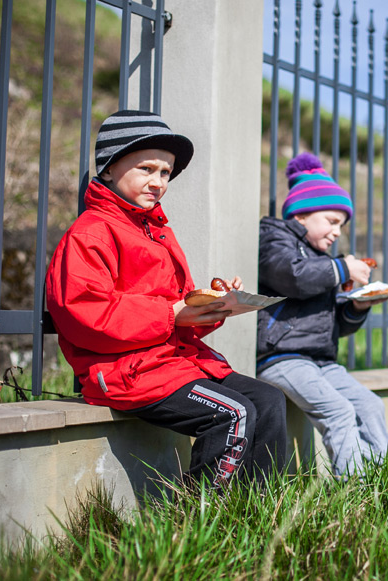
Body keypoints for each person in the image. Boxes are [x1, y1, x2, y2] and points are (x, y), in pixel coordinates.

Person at [46, 110, 287, 490]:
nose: (158, 182)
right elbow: (86, 314)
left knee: (269, 399)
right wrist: (173, 314)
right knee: (233, 414)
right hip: (125, 370)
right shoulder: (90, 233)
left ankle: (262, 509)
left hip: (174, 362)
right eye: (146, 169)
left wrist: (214, 305)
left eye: (165, 173)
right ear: (108, 170)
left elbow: (177, 310)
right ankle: (199, 517)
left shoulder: (157, 232)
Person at [256, 152, 388, 478]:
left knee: (370, 405)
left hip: (321, 360)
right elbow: (292, 276)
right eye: (331, 221)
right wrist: (341, 267)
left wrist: (357, 307)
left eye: (341, 225)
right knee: (339, 411)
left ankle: (382, 481)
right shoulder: (275, 238)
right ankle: (356, 490)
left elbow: (333, 326)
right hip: (281, 357)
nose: (337, 232)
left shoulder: (323, 260)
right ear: (302, 215)